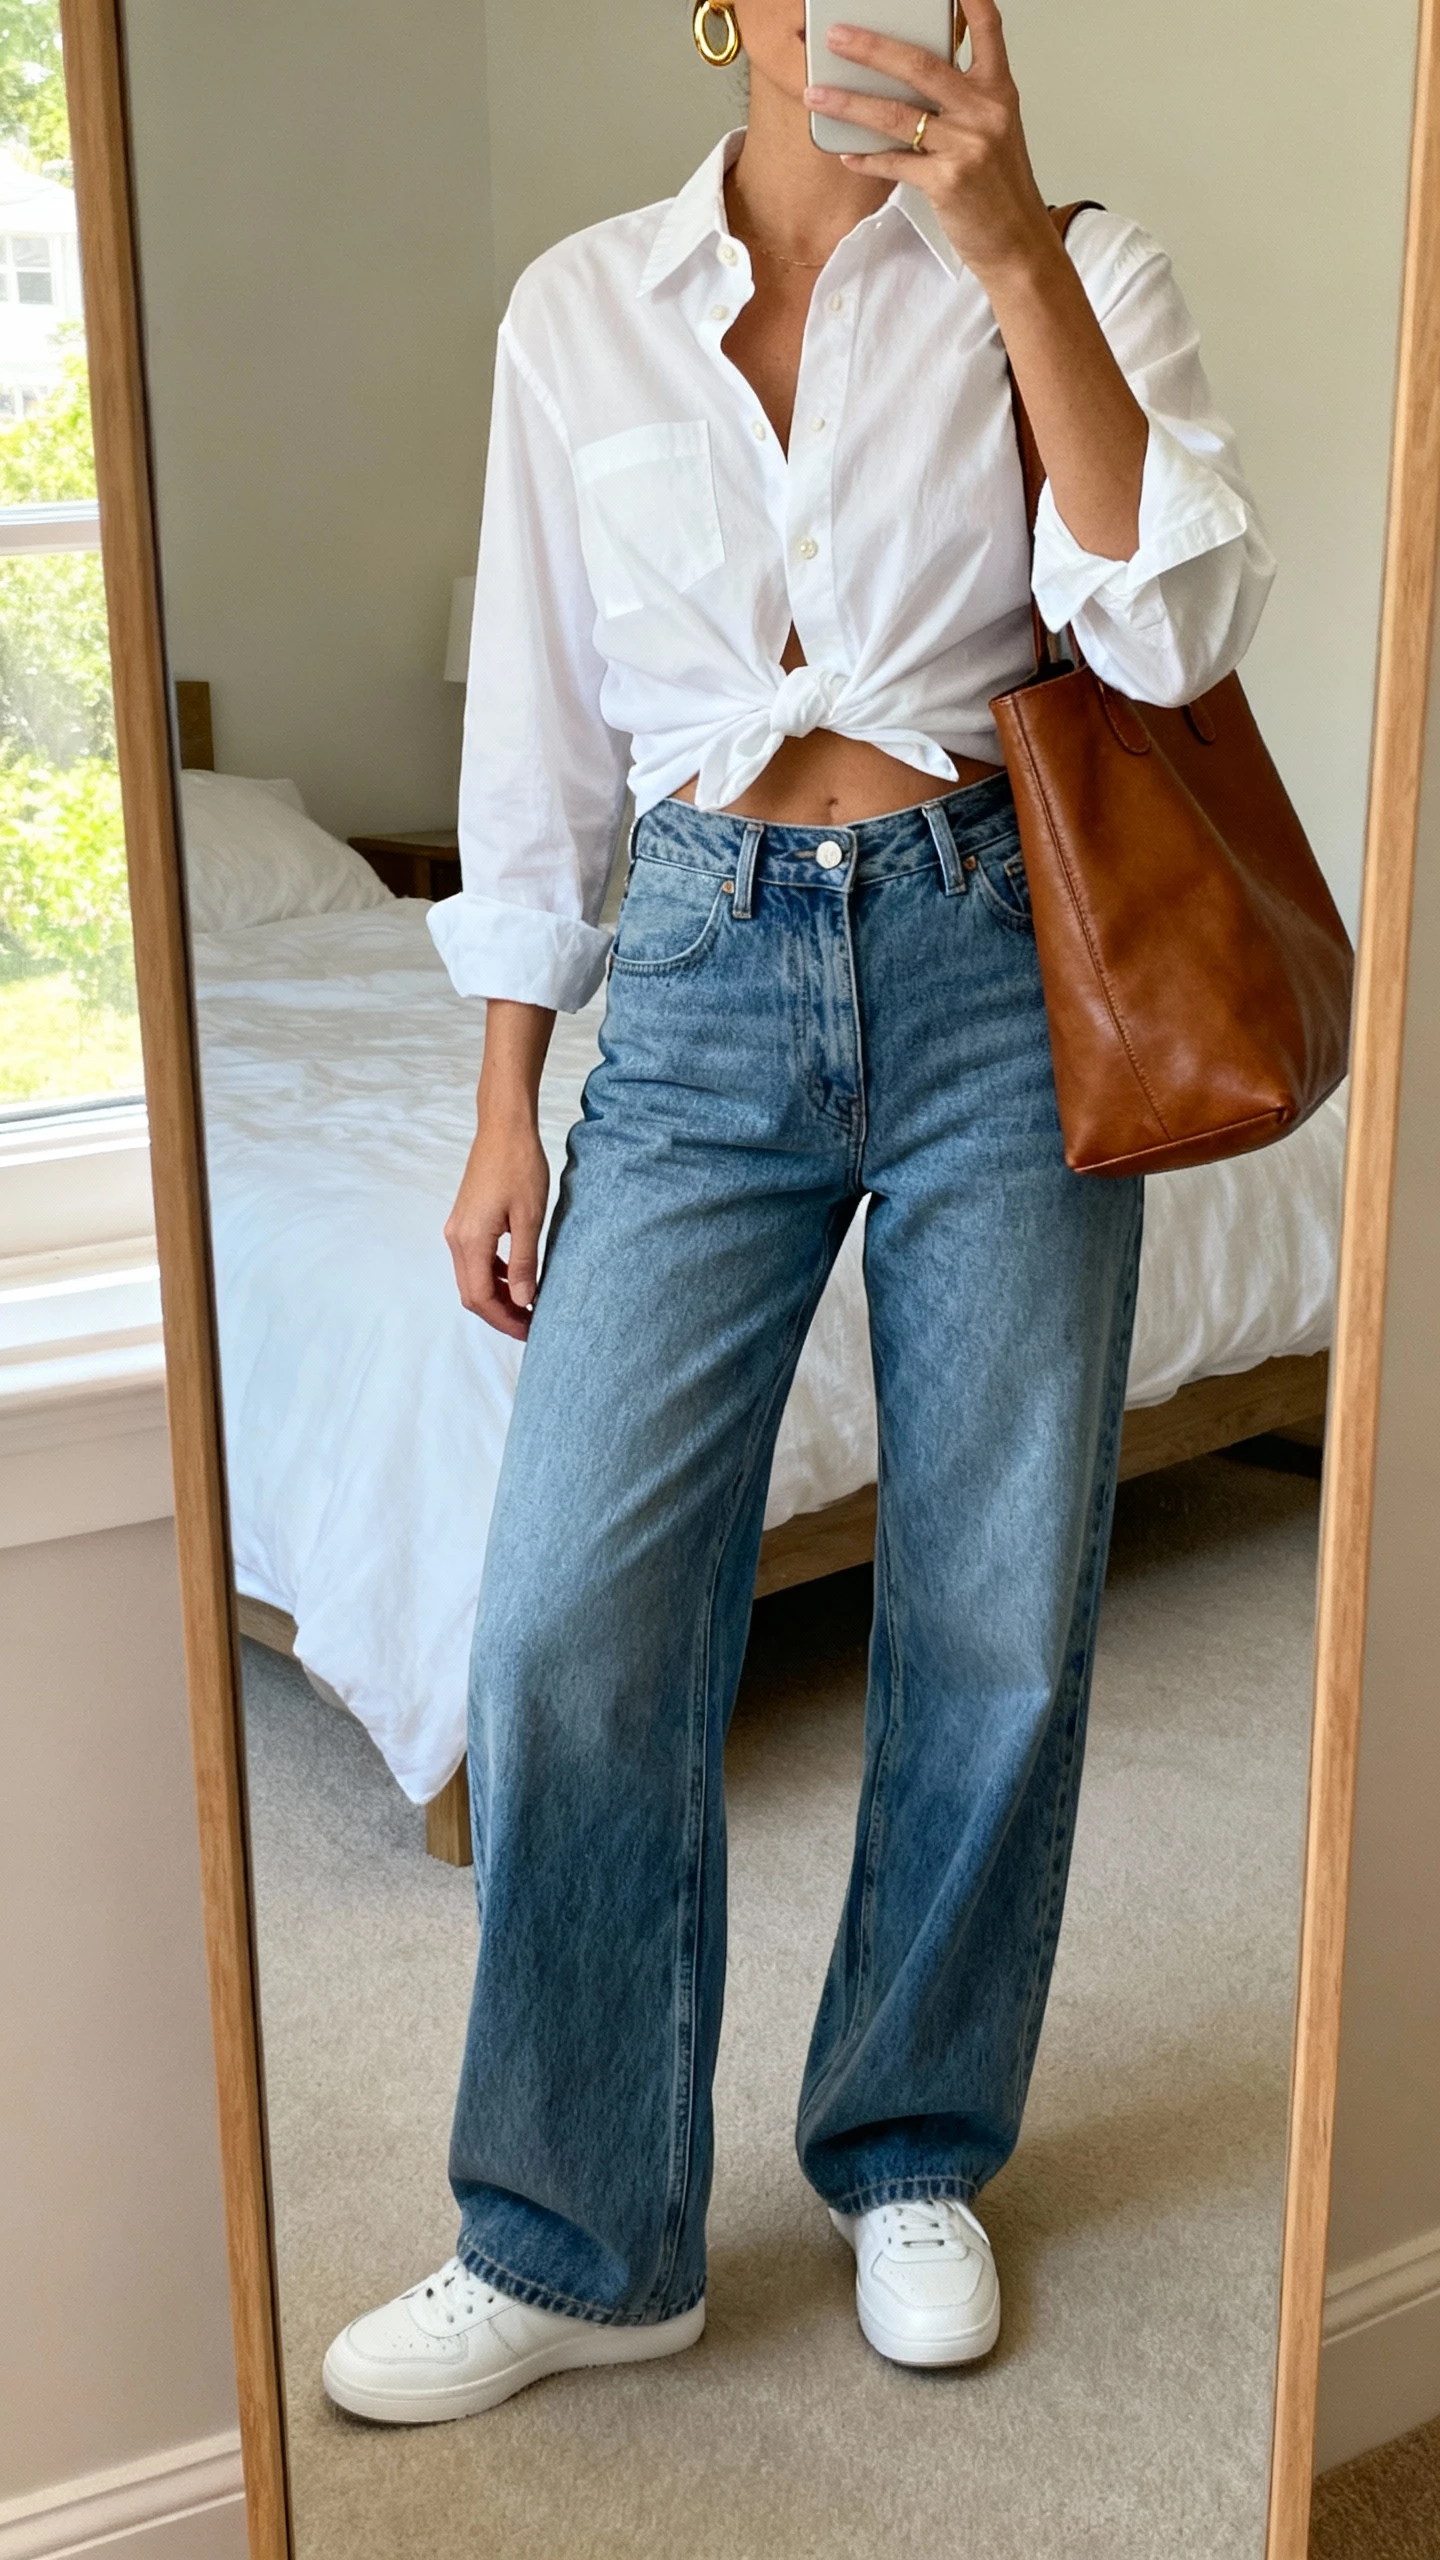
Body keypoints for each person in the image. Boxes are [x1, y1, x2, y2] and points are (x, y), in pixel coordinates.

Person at [322, 0, 1273, 2423]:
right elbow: (533, 735)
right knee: (558, 1626)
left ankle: (913, 2142)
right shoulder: (579, 311)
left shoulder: (1078, 266)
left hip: (997, 960)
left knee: (997, 1609)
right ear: (728, 15)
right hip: (708, 984)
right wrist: (506, 1091)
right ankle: (575, 2229)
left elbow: (1173, 628)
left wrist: (1010, 256)